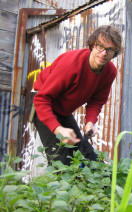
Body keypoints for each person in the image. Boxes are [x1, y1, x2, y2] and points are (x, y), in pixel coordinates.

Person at [33, 25, 123, 166]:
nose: (104, 53)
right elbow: (42, 99)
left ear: (115, 52)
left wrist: (89, 123)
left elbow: (96, 101)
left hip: (63, 111)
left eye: (110, 49)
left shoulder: (110, 72)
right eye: (100, 46)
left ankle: (100, 185)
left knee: (86, 153)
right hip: (43, 105)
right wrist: (59, 129)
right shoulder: (71, 64)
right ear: (92, 45)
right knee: (61, 161)